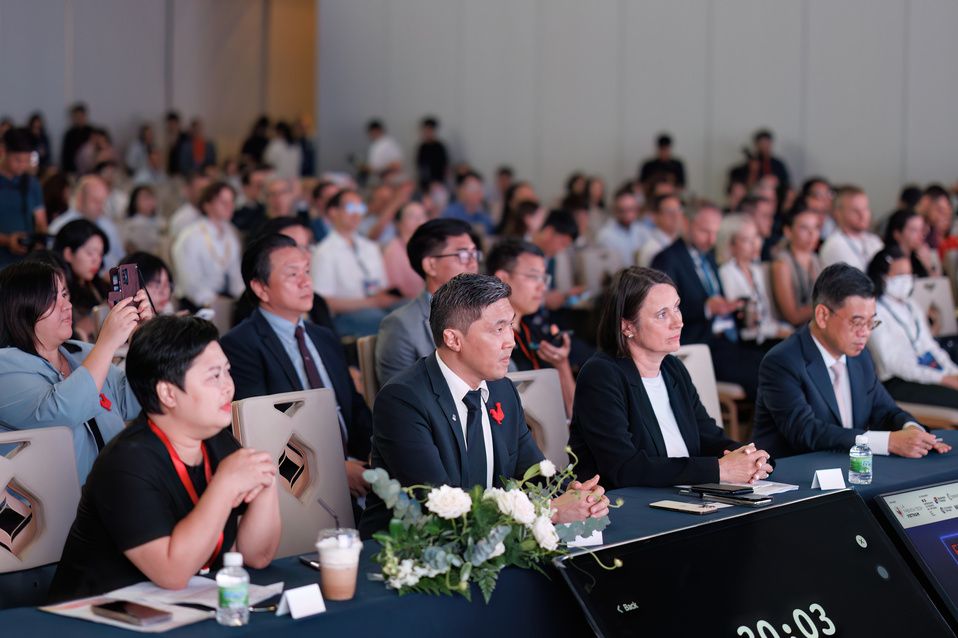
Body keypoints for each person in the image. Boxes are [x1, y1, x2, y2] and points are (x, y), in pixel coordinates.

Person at [47, 315, 280, 600]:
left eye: (227, 372)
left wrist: (266, 483)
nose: (228, 386)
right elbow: (171, 573)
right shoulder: (125, 464)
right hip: (96, 612)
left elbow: (255, 556)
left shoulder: (218, 442)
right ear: (168, 393)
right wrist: (225, 486)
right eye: (214, 376)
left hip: (178, 606)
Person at [359, 273, 610, 537]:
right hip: (414, 547)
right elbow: (438, 505)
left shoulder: (502, 390)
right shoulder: (403, 400)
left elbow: (533, 471)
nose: (511, 341)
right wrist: (551, 510)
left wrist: (574, 494)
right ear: (453, 339)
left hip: (493, 542)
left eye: (510, 326)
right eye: (498, 329)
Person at [569, 267, 772, 488]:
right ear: (627, 326)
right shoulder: (601, 375)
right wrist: (721, 470)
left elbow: (708, 437)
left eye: (676, 308)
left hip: (683, 495)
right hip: (626, 502)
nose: (678, 322)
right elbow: (624, 468)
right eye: (662, 314)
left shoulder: (672, 368)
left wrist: (750, 457)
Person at [220, 233, 372, 499]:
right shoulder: (240, 345)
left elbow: (354, 407)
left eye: (307, 271)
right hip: (298, 486)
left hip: (359, 468)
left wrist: (377, 454)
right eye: (292, 274)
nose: (306, 282)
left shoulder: (323, 337)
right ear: (260, 288)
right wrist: (332, 469)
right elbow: (260, 431)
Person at [752, 263, 950, 459]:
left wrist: (912, 430)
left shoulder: (860, 356)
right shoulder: (782, 362)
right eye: (857, 322)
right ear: (822, 316)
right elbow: (806, 432)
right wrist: (888, 442)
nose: (865, 333)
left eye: (871, 322)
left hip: (850, 468)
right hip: (794, 473)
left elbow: (886, 410)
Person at [0, 261, 152, 483]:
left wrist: (145, 337)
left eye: (64, 294)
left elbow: (136, 398)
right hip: (59, 501)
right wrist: (107, 343)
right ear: (20, 307)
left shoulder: (80, 353)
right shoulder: (5, 366)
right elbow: (61, 413)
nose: (67, 305)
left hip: (116, 484)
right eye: (52, 299)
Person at [652, 205, 764, 399]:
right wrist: (706, 308)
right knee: (763, 375)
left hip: (727, 340)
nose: (711, 240)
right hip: (698, 344)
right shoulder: (667, 259)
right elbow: (662, 311)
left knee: (776, 365)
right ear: (686, 223)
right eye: (704, 231)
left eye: (715, 233)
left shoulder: (709, 257)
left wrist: (731, 308)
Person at [375, 219, 480, 385]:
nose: (473, 263)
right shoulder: (400, 325)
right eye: (463, 255)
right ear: (431, 265)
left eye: (474, 253)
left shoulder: (485, 312)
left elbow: (509, 375)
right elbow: (399, 395)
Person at [488, 239, 576, 416]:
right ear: (503, 278)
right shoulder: (489, 338)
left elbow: (574, 414)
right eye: (534, 277)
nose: (542, 287)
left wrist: (561, 364)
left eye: (544, 278)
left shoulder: (533, 332)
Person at [865, 246, 958, 408]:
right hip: (898, 381)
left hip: (927, 371)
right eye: (900, 275)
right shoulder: (874, 312)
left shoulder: (911, 305)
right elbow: (894, 363)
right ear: (882, 277)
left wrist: (952, 372)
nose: (906, 279)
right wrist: (942, 378)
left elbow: (930, 346)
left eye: (909, 274)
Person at [311, 189, 400, 337]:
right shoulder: (324, 252)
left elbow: (381, 287)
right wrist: (372, 302)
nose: (357, 213)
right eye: (351, 207)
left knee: (414, 311)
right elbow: (324, 303)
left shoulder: (370, 247)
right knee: (391, 321)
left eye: (360, 208)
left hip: (376, 306)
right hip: (345, 315)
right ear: (333, 212)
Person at [717, 214, 792, 346]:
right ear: (731, 245)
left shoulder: (756, 270)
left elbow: (766, 316)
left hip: (769, 333)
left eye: (756, 236)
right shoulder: (726, 272)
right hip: (749, 342)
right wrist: (777, 331)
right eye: (746, 240)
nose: (755, 244)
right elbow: (745, 323)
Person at [171, 181, 245, 310]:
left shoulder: (231, 234)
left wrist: (243, 298)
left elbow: (236, 277)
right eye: (223, 202)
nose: (229, 206)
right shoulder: (191, 235)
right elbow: (189, 280)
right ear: (207, 205)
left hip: (222, 298)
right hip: (194, 301)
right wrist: (212, 300)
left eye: (231, 201)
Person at [48, 174, 124, 269]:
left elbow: (121, 257)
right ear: (80, 198)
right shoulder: (60, 226)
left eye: (102, 202)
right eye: (95, 201)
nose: (100, 207)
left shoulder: (108, 225)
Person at [52, 219, 111, 340]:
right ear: (68, 254)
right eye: (90, 253)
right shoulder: (58, 292)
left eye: (100, 254)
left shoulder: (99, 285)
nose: (97, 260)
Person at [0, 127, 47, 267]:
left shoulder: (32, 184)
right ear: (3, 151)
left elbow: (40, 221)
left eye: (27, 160)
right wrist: (7, 240)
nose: (23, 165)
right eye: (18, 160)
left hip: (26, 263)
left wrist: (40, 240)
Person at [771, 205, 822, 327]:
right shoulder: (782, 265)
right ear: (788, 231)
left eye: (816, 227)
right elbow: (793, 316)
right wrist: (831, 306)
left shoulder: (816, 260)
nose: (812, 233)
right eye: (804, 228)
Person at [819, 186, 883, 270]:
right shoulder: (835, 245)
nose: (862, 215)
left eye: (865, 208)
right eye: (855, 210)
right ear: (838, 213)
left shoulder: (874, 240)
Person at [382, 201, 428, 299]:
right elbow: (396, 290)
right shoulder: (393, 250)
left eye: (422, 215)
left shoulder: (429, 247)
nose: (419, 220)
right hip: (406, 301)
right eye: (412, 216)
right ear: (398, 223)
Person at [596, 187, 648, 268]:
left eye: (631, 209)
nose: (628, 215)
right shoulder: (605, 235)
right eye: (622, 210)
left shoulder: (642, 230)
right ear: (615, 210)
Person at [883, 208, 940, 278]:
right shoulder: (886, 259)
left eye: (921, 229)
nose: (921, 235)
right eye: (914, 230)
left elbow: (936, 282)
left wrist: (928, 264)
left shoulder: (917, 258)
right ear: (897, 234)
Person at [442, 171, 495, 236]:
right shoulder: (451, 213)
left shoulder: (484, 215)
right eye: (473, 190)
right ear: (463, 191)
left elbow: (491, 233)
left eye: (479, 190)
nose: (478, 194)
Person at [637, 193, 683, 267]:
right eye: (669, 211)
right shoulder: (651, 250)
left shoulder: (683, 243)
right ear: (654, 216)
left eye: (679, 209)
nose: (676, 215)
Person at [122, 184, 162, 255]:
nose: (149, 202)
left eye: (151, 197)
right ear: (135, 202)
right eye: (145, 199)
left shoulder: (161, 222)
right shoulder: (131, 225)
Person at [415, 116, 449, 191]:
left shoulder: (440, 147)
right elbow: (420, 166)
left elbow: (445, 167)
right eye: (426, 130)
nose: (427, 133)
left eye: (430, 130)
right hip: (425, 183)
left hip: (439, 183)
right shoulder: (422, 147)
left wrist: (439, 182)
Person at [60, 103, 92, 175]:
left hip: (90, 171)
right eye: (76, 117)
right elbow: (65, 155)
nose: (79, 119)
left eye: (81, 116)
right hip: (73, 171)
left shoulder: (91, 132)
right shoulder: (69, 134)